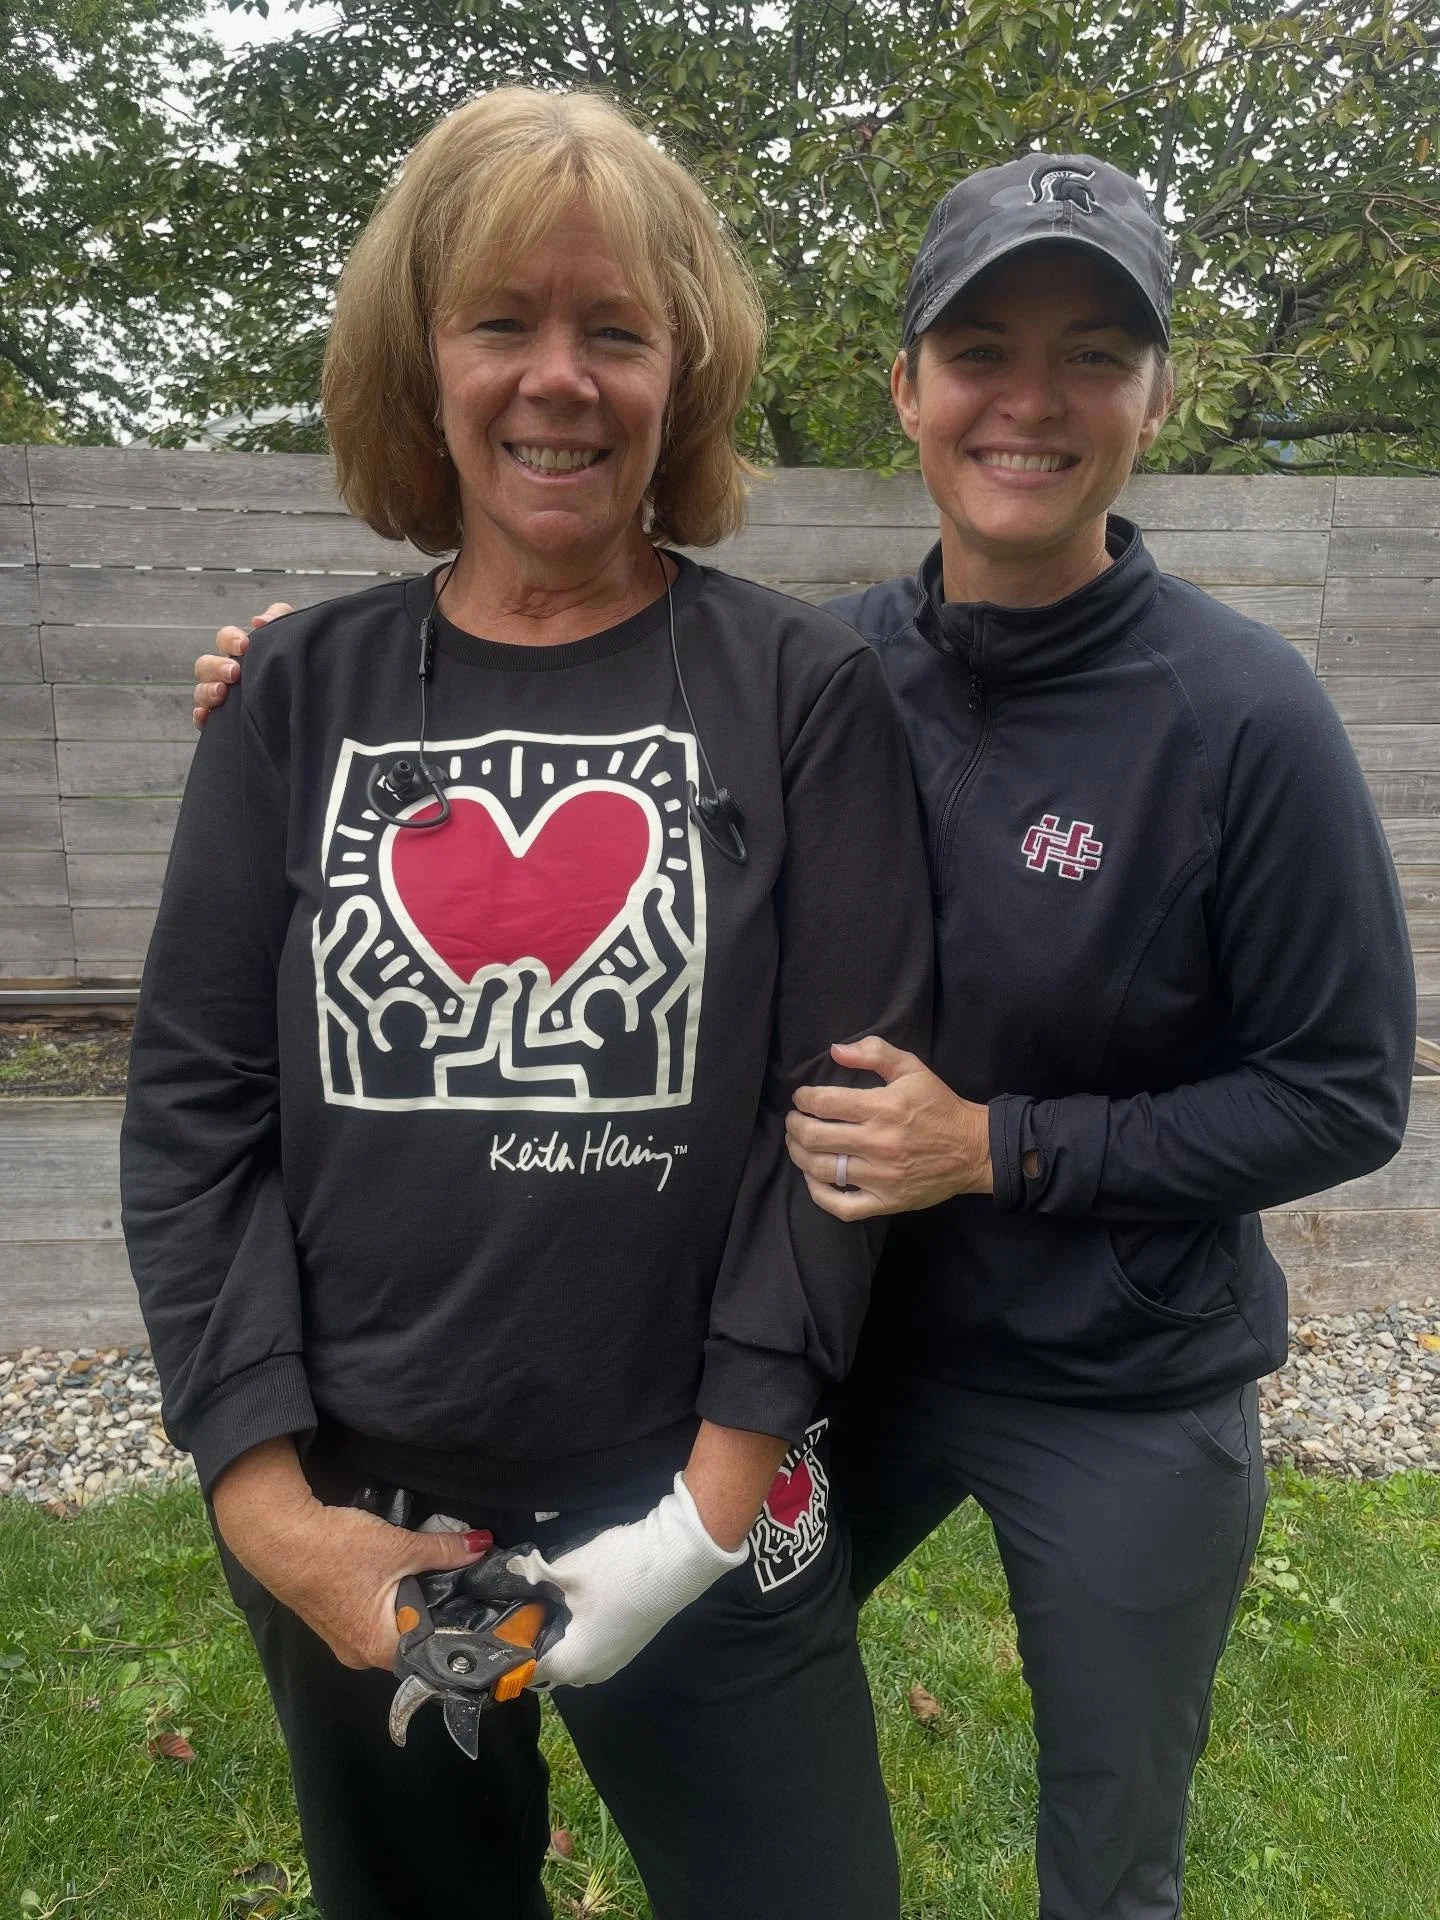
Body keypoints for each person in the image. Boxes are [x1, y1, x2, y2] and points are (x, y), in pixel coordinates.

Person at [193, 152, 1415, 1918]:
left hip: (1118, 1380)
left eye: (1094, 355)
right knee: (717, 1694)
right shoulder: (815, 673)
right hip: (861, 1355)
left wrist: (1004, 1146)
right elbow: (568, 673)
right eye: (982, 347)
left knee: (1110, 1830)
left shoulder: (1244, 714)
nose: (1033, 400)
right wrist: (322, 684)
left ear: (1155, 397)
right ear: (905, 386)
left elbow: (1344, 1089)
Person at [128, 87, 932, 1920]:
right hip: (364, 1519)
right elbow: (192, 1109)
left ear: (686, 372)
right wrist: (275, 1517)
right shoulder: (295, 697)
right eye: (501, 321)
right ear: (422, 364)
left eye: (615, 330)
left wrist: (705, 1518)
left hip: (697, 1496)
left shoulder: (799, 695)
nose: (556, 378)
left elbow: (843, 1126)